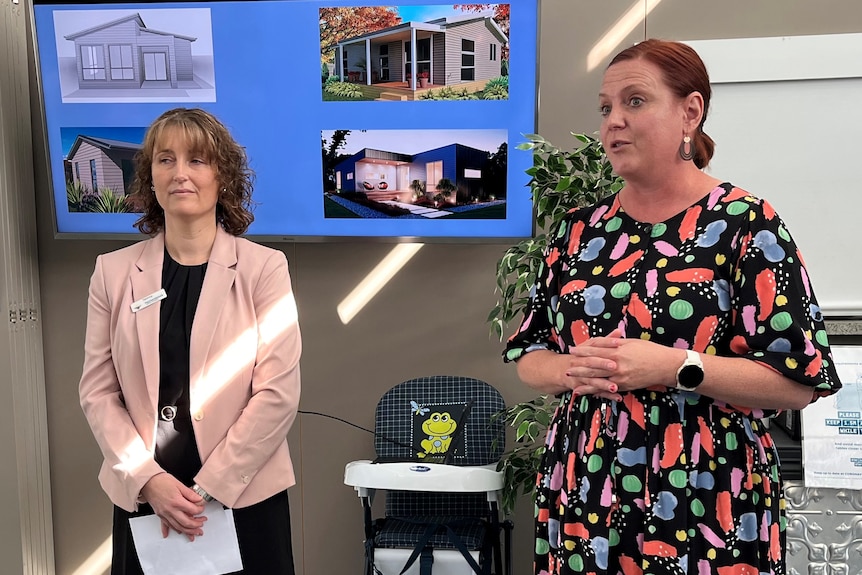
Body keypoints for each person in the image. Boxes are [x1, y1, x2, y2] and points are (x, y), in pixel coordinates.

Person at [504, 39, 841, 575]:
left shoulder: (746, 225)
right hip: (586, 487)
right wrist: (573, 367)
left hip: (710, 492)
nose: (614, 121)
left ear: (690, 111)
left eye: (635, 101)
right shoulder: (577, 232)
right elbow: (529, 354)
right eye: (606, 107)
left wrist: (676, 367)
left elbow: (799, 381)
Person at [79, 107, 301, 574]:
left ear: (223, 177)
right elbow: (98, 393)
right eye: (166, 160)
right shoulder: (112, 273)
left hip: (242, 491)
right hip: (146, 495)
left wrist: (209, 487)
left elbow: (278, 393)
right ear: (150, 179)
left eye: (197, 160)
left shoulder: (264, 268)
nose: (180, 173)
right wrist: (148, 481)